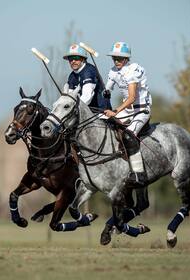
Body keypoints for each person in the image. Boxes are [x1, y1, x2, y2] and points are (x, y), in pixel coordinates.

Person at [103, 41, 152, 187]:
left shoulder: (133, 70)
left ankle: (138, 174)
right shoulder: (113, 71)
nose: (116, 61)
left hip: (141, 109)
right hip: (127, 110)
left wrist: (115, 111)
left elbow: (131, 98)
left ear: (126, 59)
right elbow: (108, 88)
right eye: (114, 58)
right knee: (102, 123)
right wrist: (106, 92)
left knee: (129, 135)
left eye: (119, 58)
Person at [63, 44, 111, 111]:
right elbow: (70, 97)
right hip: (85, 111)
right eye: (70, 59)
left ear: (83, 59)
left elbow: (87, 97)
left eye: (76, 58)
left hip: (100, 112)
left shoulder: (89, 71)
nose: (73, 61)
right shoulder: (72, 76)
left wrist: (72, 109)